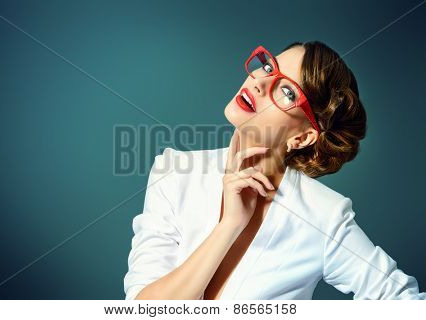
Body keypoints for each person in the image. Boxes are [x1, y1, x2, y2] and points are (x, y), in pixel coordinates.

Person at [123, 41, 425, 300]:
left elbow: (403, 301)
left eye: (287, 92)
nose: (259, 82)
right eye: (269, 68)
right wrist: (229, 225)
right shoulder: (174, 172)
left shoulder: (323, 215)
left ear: (303, 136)